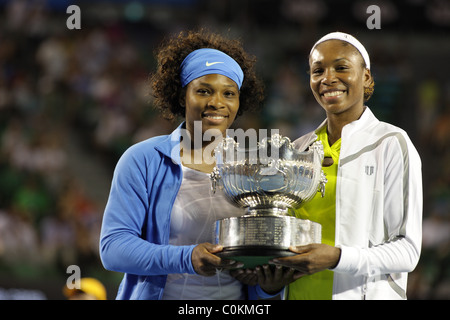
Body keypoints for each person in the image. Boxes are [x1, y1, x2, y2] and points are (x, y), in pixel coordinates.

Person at [99, 30, 278, 300]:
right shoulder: (142, 160)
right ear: (183, 96)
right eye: (204, 91)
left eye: (229, 93)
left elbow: (259, 277)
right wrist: (187, 257)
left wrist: (268, 285)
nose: (217, 102)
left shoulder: (256, 169)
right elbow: (113, 249)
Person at [266, 32, 423, 300]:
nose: (328, 78)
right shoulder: (296, 150)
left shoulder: (392, 143)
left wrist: (336, 258)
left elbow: (407, 251)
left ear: (366, 77)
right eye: (318, 71)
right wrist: (271, 284)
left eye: (341, 67)